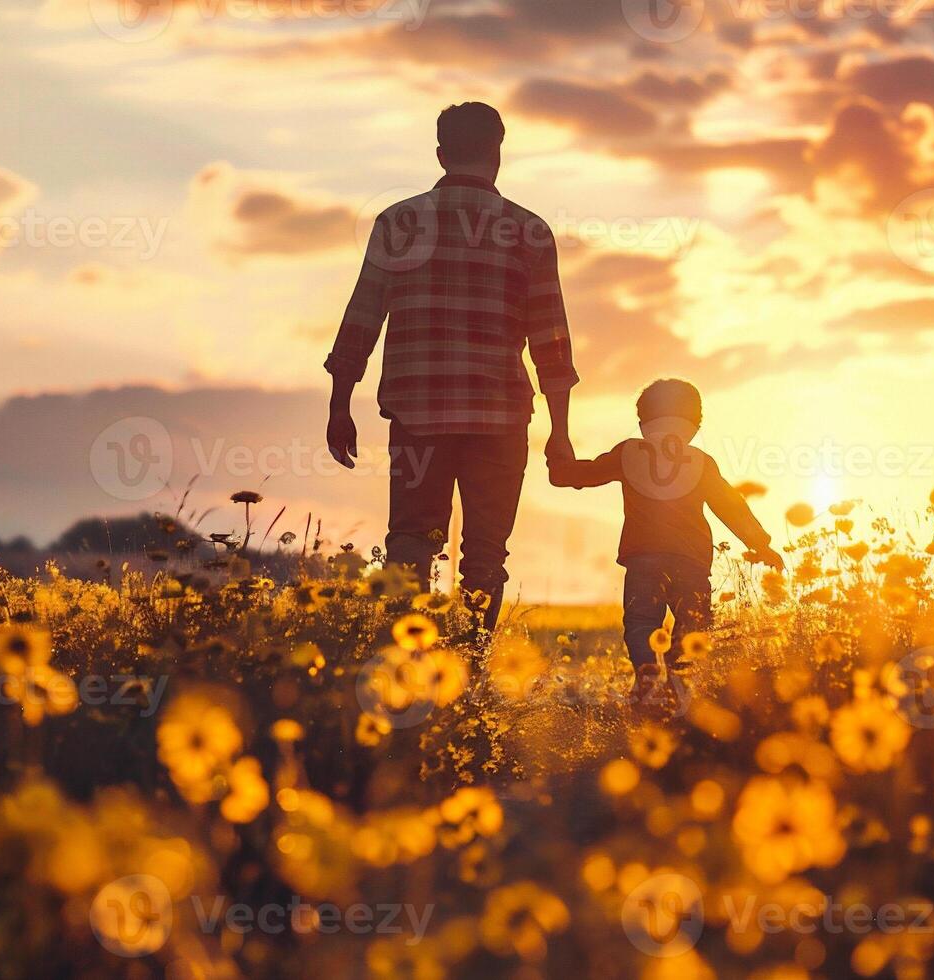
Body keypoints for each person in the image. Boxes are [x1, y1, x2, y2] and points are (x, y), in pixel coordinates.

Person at [325, 102, 578, 638]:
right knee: (485, 554)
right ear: (498, 153)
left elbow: (363, 315)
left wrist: (339, 403)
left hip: (419, 415)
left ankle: (404, 662)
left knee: (412, 540)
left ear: (441, 154)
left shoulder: (397, 223)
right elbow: (550, 339)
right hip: (500, 416)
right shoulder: (529, 232)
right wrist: (560, 429)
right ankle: (469, 671)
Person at [548, 378, 783, 710]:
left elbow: (575, 476)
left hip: (643, 558)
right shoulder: (702, 463)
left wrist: (559, 462)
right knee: (693, 625)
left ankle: (646, 670)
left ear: (643, 423)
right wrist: (761, 544)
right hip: (691, 562)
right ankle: (678, 688)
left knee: (642, 621)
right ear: (696, 425)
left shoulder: (628, 452)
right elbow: (731, 506)